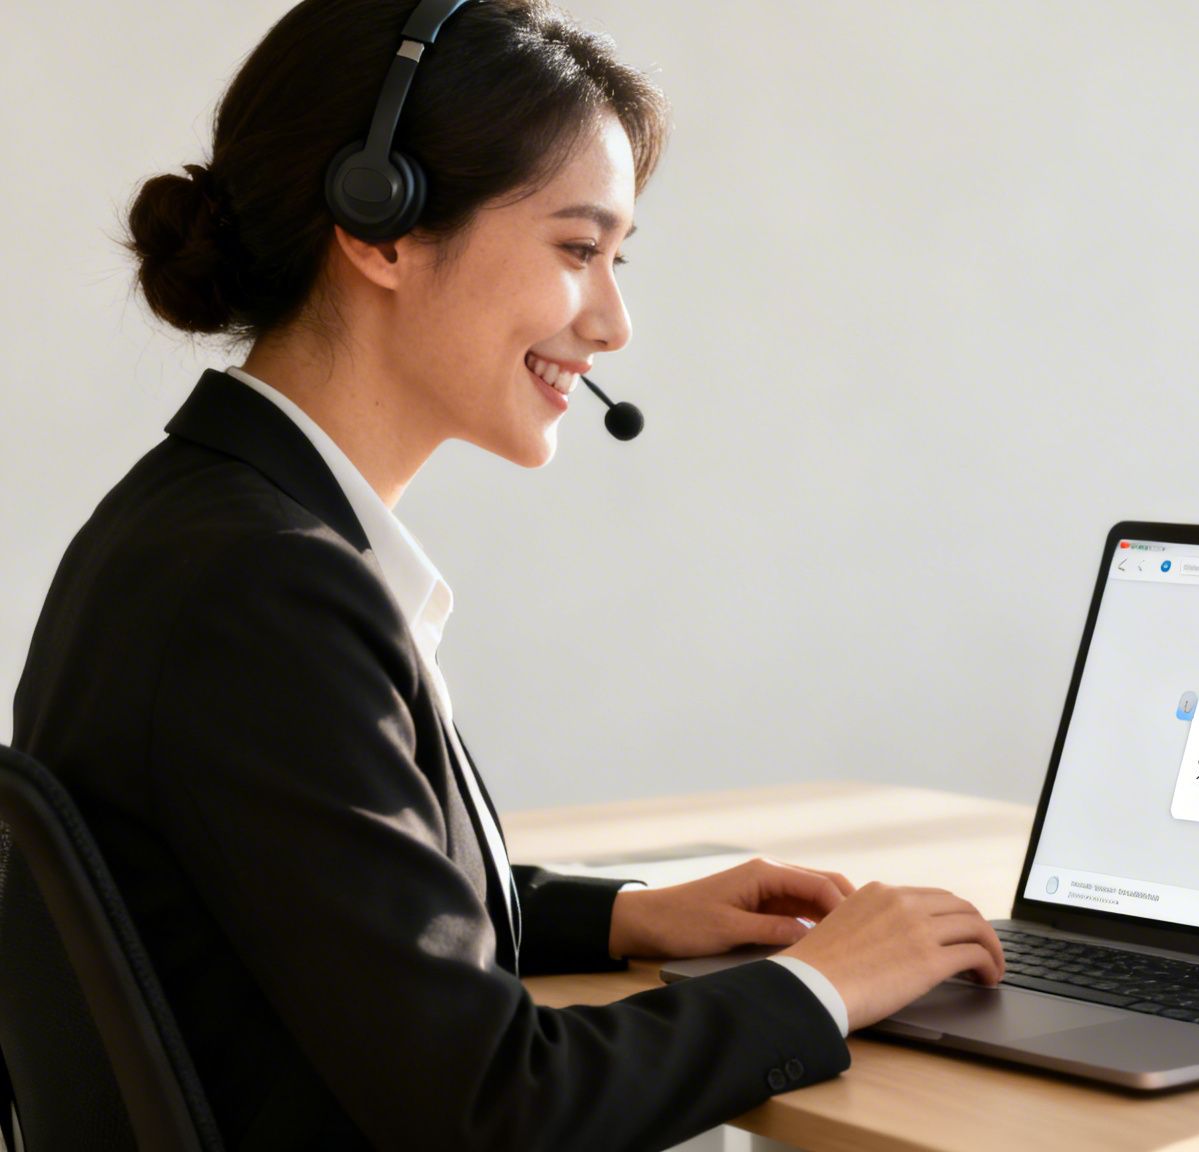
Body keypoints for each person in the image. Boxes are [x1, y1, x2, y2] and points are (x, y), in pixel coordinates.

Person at [8, 1, 1003, 1147]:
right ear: (380, 227)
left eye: (618, 259)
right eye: (578, 250)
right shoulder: (264, 588)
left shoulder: (198, 522)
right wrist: (823, 984)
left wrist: (627, 915)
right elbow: (496, 1109)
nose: (614, 323)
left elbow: (332, 903)